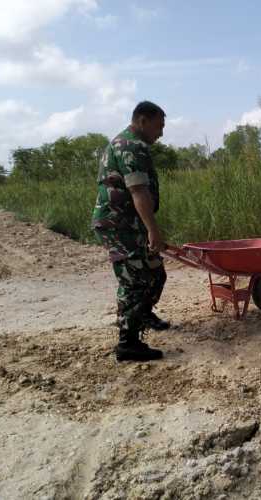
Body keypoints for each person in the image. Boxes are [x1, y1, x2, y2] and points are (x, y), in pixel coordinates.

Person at [92, 101, 170, 362]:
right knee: (134, 280)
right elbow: (138, 191)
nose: (160, 133)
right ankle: (128, 343)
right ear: (142, 121)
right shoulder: (131, 146)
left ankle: (143, 315)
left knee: (156, 273)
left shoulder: (123, 143)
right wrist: (153, 231)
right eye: (159, 126)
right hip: (120, 226)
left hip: (129, 224)